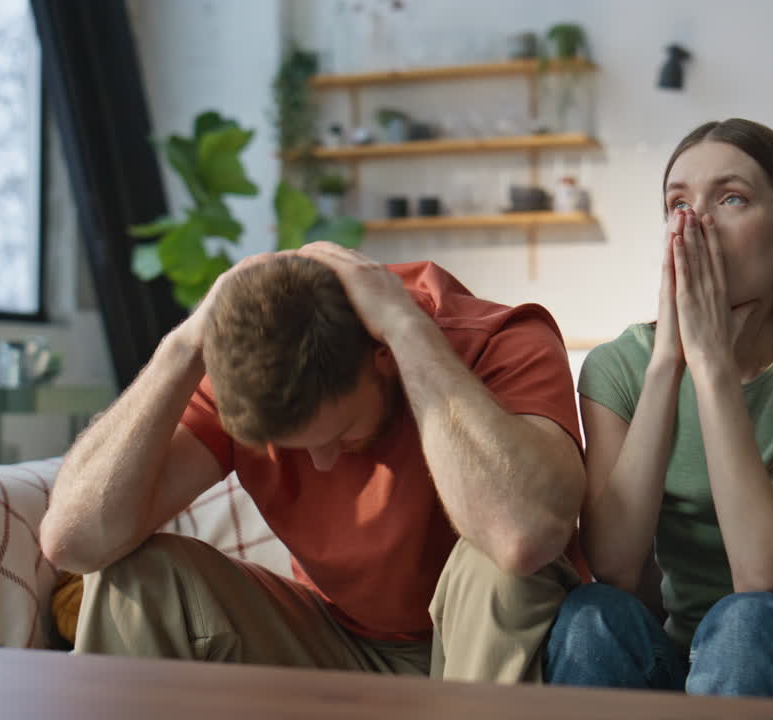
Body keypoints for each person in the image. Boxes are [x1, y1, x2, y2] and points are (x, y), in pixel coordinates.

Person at [40, 242, 588, 683]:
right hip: (338, 644)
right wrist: (184, 345)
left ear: (382, 356)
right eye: (294, 447)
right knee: (138, 574)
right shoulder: (260, 373)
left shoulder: (498, 340)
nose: (321, 464)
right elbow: (74, 542)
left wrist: (407, 332)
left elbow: (523, 536)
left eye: (341, 432)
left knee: (497, 562)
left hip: (482, 642)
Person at [543, 118, 773, 702]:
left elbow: (764, 577)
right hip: (690, 674)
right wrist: (668, 363)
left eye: (731, 198)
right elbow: (613, 565)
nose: (696, 224)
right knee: (592, 613)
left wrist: (711, 368)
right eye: (678, 203)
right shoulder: (620, 367)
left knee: (746, 623)